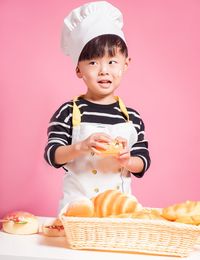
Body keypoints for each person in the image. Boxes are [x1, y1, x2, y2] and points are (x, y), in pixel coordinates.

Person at [44, 1, 151, 212]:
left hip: (119, 211)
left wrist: (127, 159)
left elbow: (143, 161)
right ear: (78, 70)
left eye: (112, 62)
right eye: (93, 62)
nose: (103, 70)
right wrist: (81, 147)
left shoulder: (132, 117)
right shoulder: (68, 112)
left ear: (125, 64)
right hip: (77, 210)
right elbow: (52, 154)